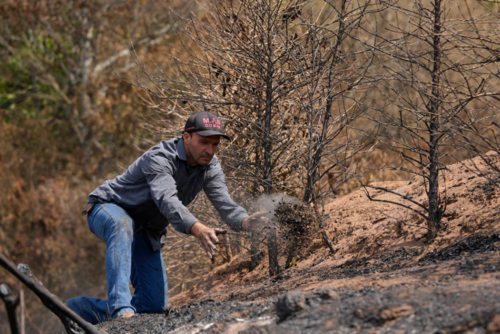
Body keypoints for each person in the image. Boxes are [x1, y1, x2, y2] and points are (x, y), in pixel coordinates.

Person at [66, 111, 264, 324]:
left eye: (215, 144)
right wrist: (198, 229)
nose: (209, 150)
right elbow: (167, 201)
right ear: (186, 137)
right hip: (107, 208)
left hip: (146, 230)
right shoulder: (160, 157)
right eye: (204, 142)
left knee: (153, 308)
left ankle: (79, 311)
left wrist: (246, 222)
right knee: (122, 223)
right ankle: (121, 309)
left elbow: (226, 206)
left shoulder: (211, 166)